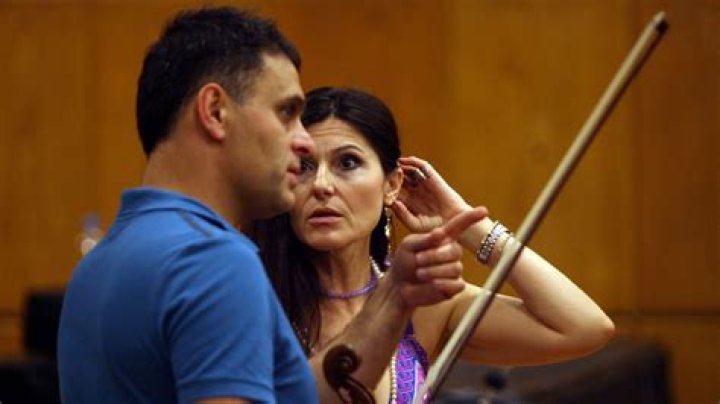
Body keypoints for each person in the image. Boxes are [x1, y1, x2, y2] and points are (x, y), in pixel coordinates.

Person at [58, 7, 484, 404]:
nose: (302, 141)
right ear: (215, 111)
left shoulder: (100, 262)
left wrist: (392, 295)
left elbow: (296, 397)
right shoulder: (214, 261)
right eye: (286, 113)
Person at [251, 87, 616, 403]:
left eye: (347, 163)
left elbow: (583, 328)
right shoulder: (253, 297)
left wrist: (469, 226)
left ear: (392, 184)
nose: (322, 185)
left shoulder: (424, 305)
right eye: (305, 166)